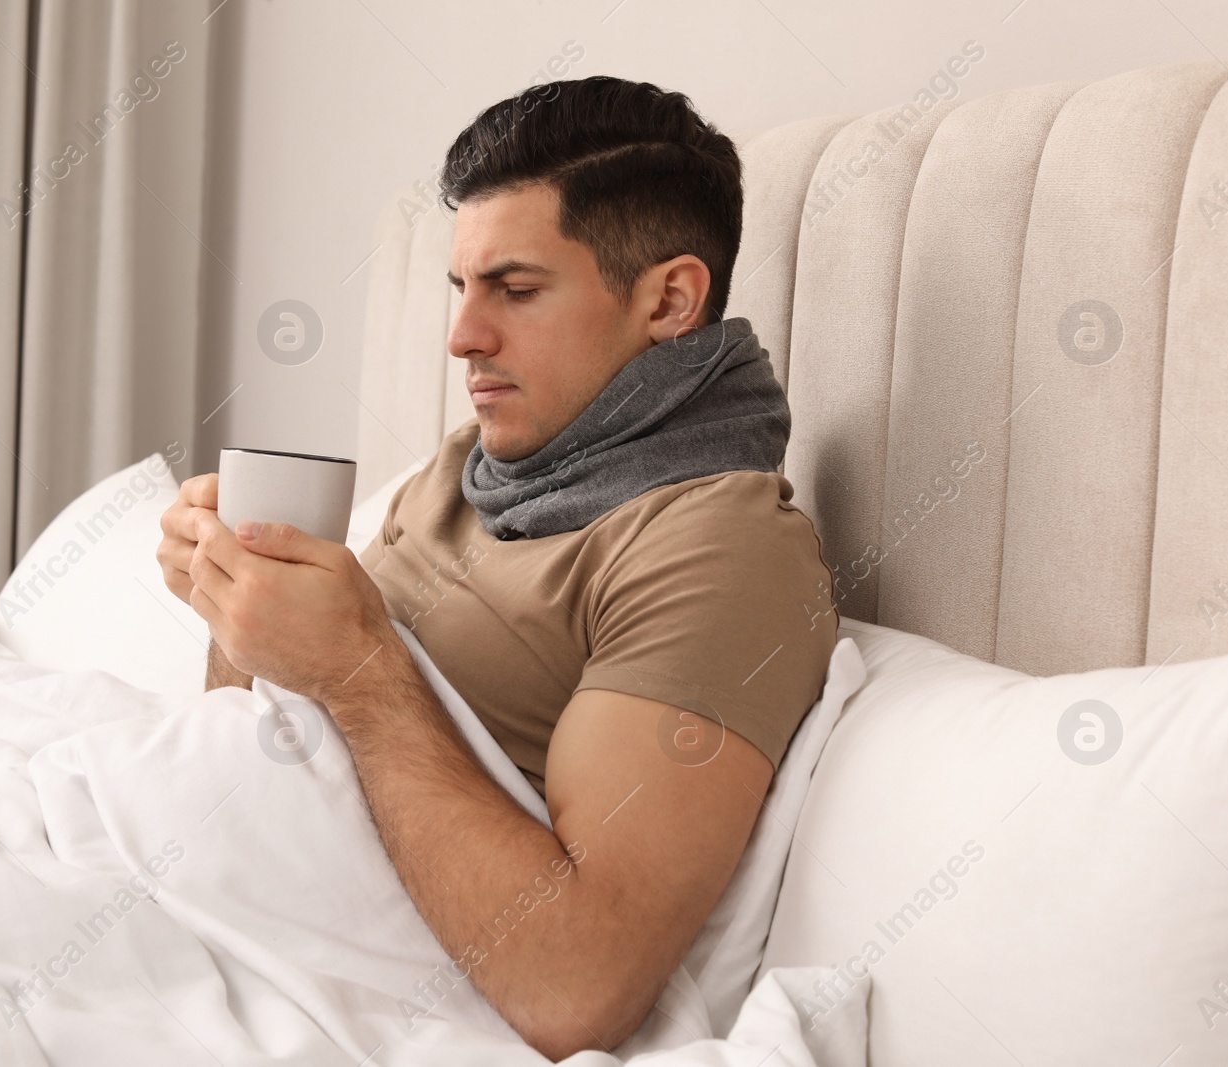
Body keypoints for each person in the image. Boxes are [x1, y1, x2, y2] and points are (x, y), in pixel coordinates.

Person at [157, 75, 837, 1060]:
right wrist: (236, 607)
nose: (461, 336)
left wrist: (358, 668)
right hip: (200, 892)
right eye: (461, 288)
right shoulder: (469, 467)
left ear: (670, 298)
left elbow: (576, 984)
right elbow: (259, 749)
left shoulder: (718, 551)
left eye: (514, 290)